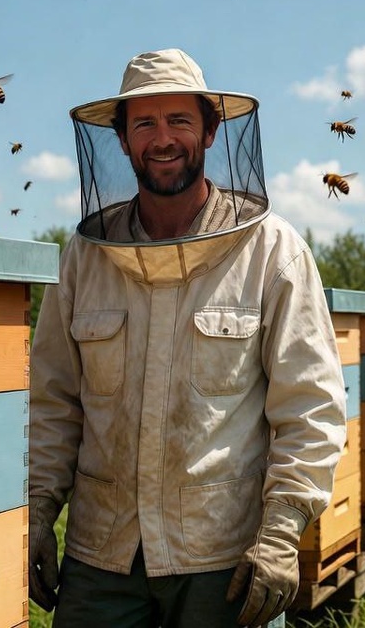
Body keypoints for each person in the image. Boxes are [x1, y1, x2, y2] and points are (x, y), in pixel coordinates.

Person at [28, 48, 346, 627]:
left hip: (223, 562)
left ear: (211, 130)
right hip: (103, 558)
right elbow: (52, 404)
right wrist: (34, 512)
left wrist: (280, 535)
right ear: (122, 140)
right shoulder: (83, 260)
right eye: (144, 123)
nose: (163, 138)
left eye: (179, 120)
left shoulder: (273, 253)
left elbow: (310, 407)